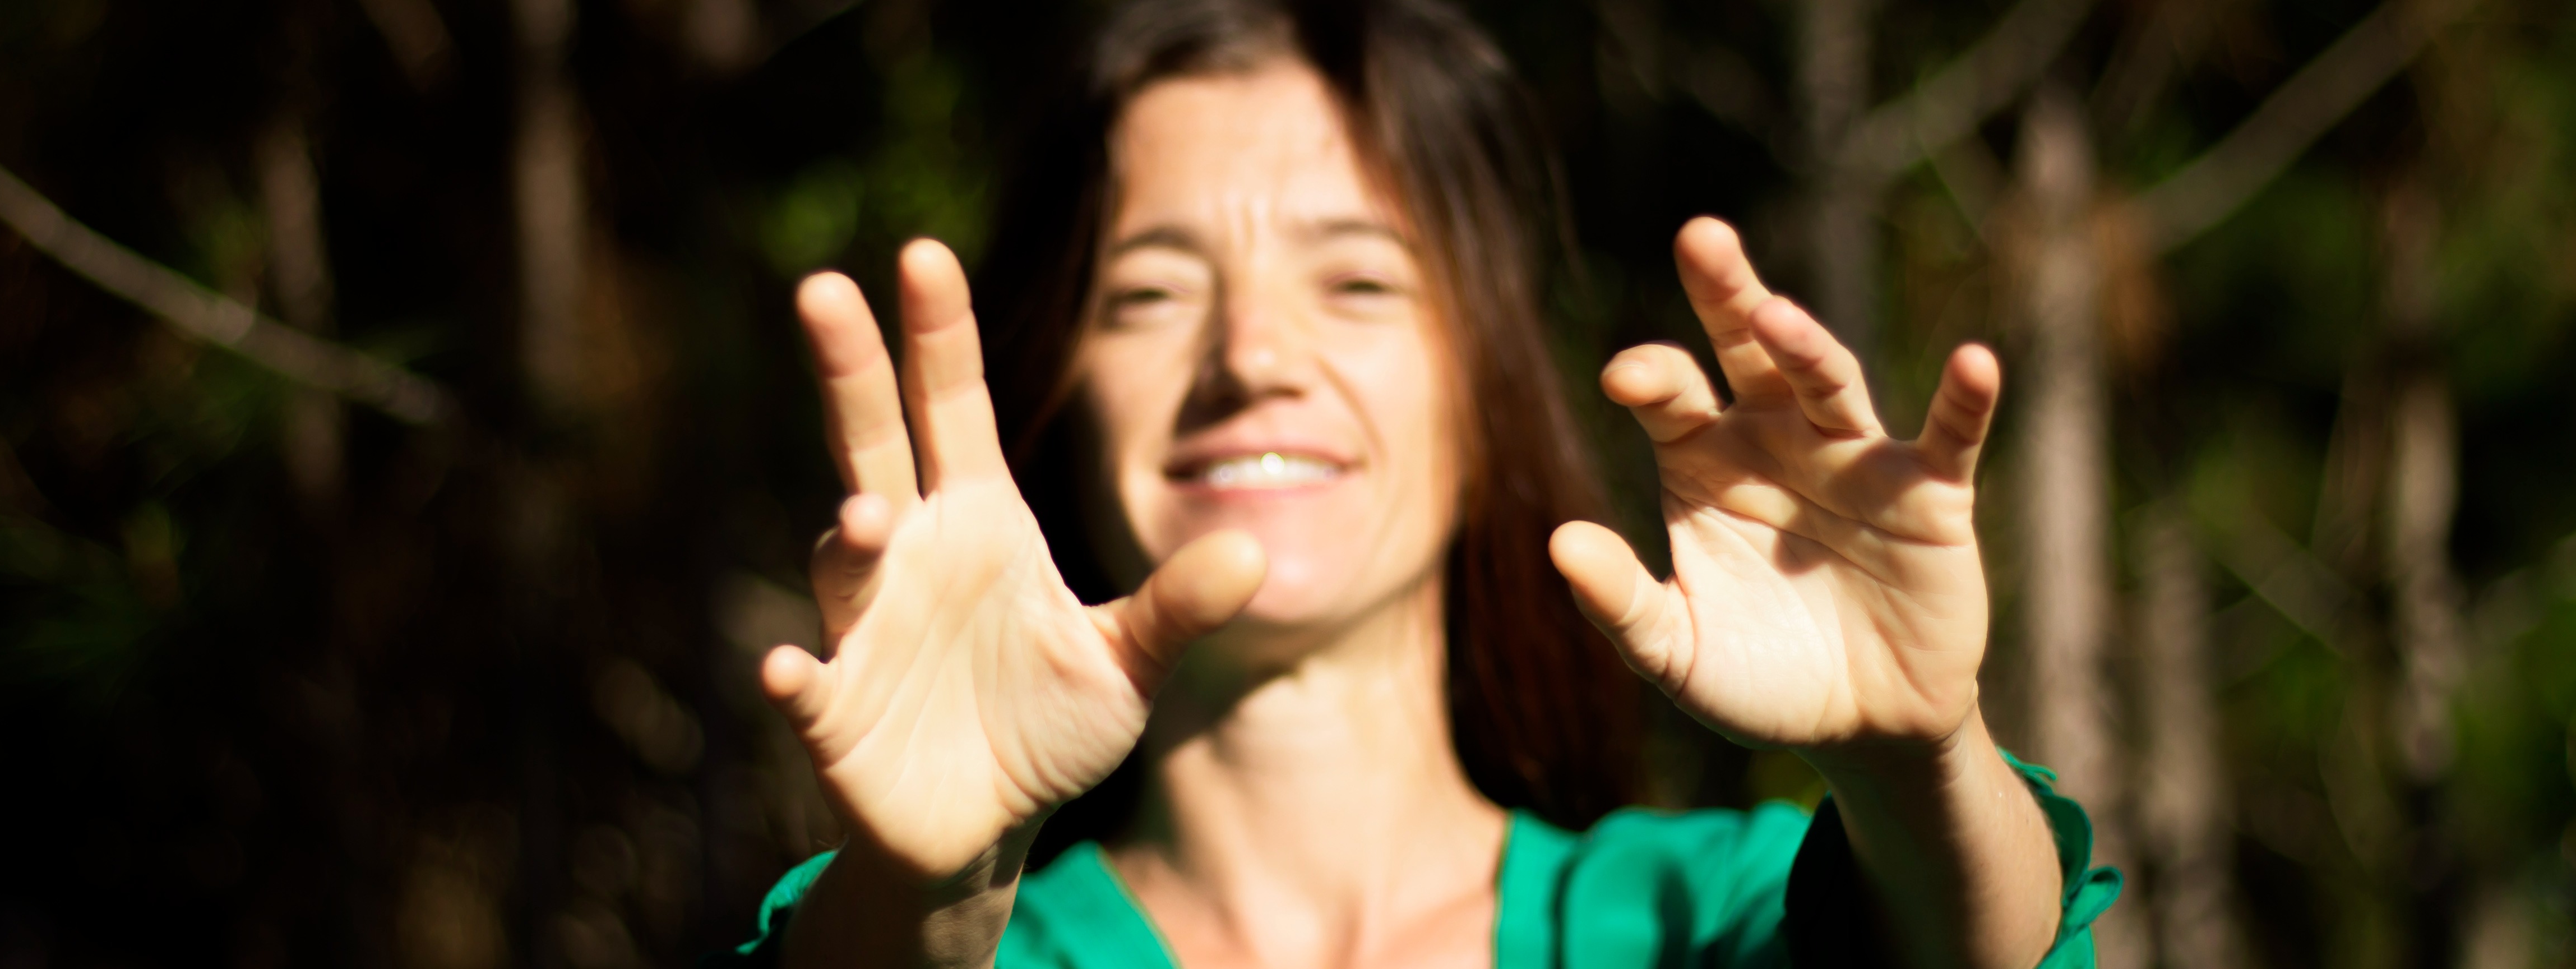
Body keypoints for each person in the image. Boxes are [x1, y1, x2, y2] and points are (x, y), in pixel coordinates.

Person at [722, 0, 2117, 966]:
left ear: (1487, 386)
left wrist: (1914, 760)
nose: (1251, 354)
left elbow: (1967, 945)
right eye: (1150, 291)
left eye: (1357, 278)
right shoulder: (950, 951)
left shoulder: (1700, 922)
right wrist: (917, 905)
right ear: (1063, 391)